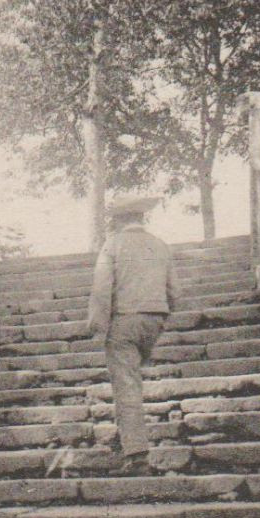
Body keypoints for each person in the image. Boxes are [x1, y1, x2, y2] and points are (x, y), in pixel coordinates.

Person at [86, 195, 180, 474]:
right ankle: (126, 435)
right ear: (142, 218)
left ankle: (137, 456)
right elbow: (174, 291)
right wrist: (160, 316)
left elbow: (102, 290)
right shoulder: (160, 245)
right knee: (131, 380)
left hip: (124, 322)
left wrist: (97, 327)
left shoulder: (112, 245)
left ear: (117, 220)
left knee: (126, 385)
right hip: (154, 319)